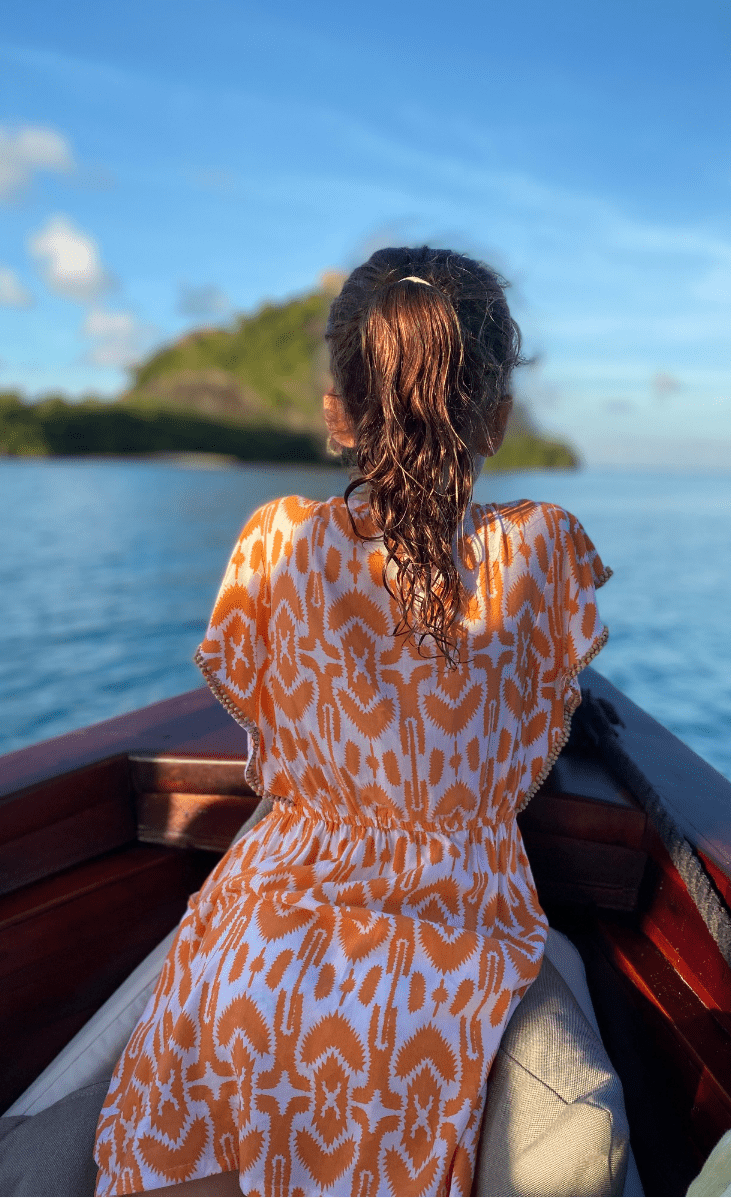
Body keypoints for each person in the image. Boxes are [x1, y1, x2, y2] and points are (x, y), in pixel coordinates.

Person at [92, 247, 612, 1198]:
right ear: (498, 418)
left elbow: (253, 696)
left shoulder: (274, 543)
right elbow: (536, 736)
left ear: (334, 412)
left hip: (260, 932)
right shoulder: (542, 554)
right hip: (443, 957)